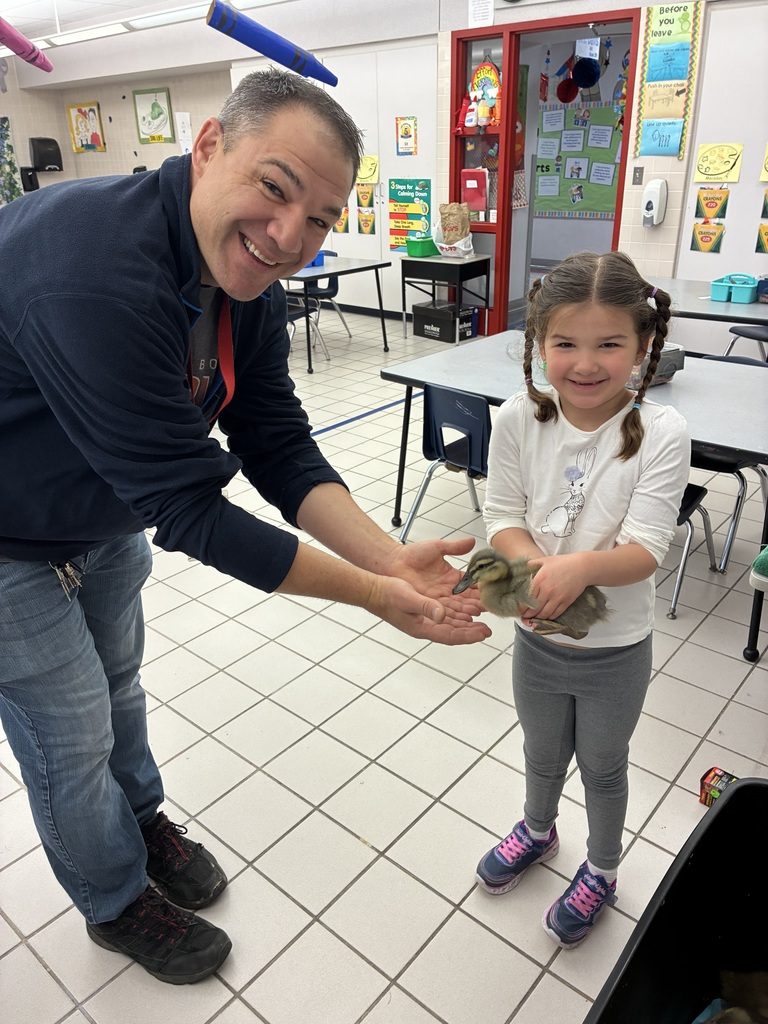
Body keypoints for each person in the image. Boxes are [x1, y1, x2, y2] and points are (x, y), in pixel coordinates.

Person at [0, 69, 489, 985]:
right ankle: (113, 900)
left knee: (118, 689)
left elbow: (275, 439)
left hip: (102, 511)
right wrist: (379, 596)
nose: (288, 235)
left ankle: (139, 821)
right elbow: (190, 510)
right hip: (8, 533)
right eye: (276, 186)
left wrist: (394, 556)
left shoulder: (244, 285)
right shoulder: (94, 271)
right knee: (67, 734)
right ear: (210, 147)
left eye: (320, 218)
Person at [473, 251, 690, 948]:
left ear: (643, 347)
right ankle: (537, 831)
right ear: (538, 343)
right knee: (540, 750)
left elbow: (648, 548)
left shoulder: (661, 433)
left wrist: (577, 567)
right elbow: (501, 514)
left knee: (602, 764)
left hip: (615, 652)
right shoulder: (516, 418)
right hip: (538, 641)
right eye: (565, 343)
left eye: (610, 344)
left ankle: (601, 869)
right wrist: (535, 567)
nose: (585, 363)